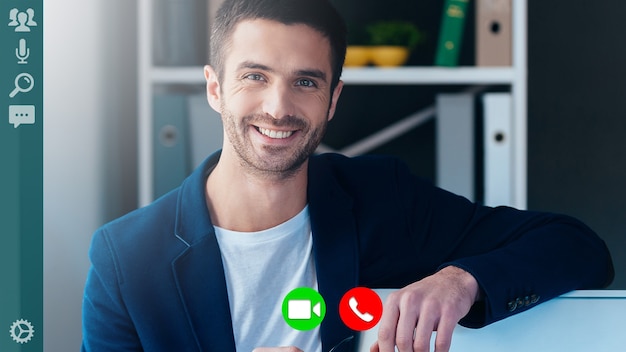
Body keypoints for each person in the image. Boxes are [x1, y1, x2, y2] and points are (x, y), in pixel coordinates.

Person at [81, 0, 614, 351]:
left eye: (306, 83)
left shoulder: (385, 198)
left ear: (333, 99)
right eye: (254, 77)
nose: (278, 107)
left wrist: (461, 281)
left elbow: (579, 249)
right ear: (215, 88)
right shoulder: (125, 258)